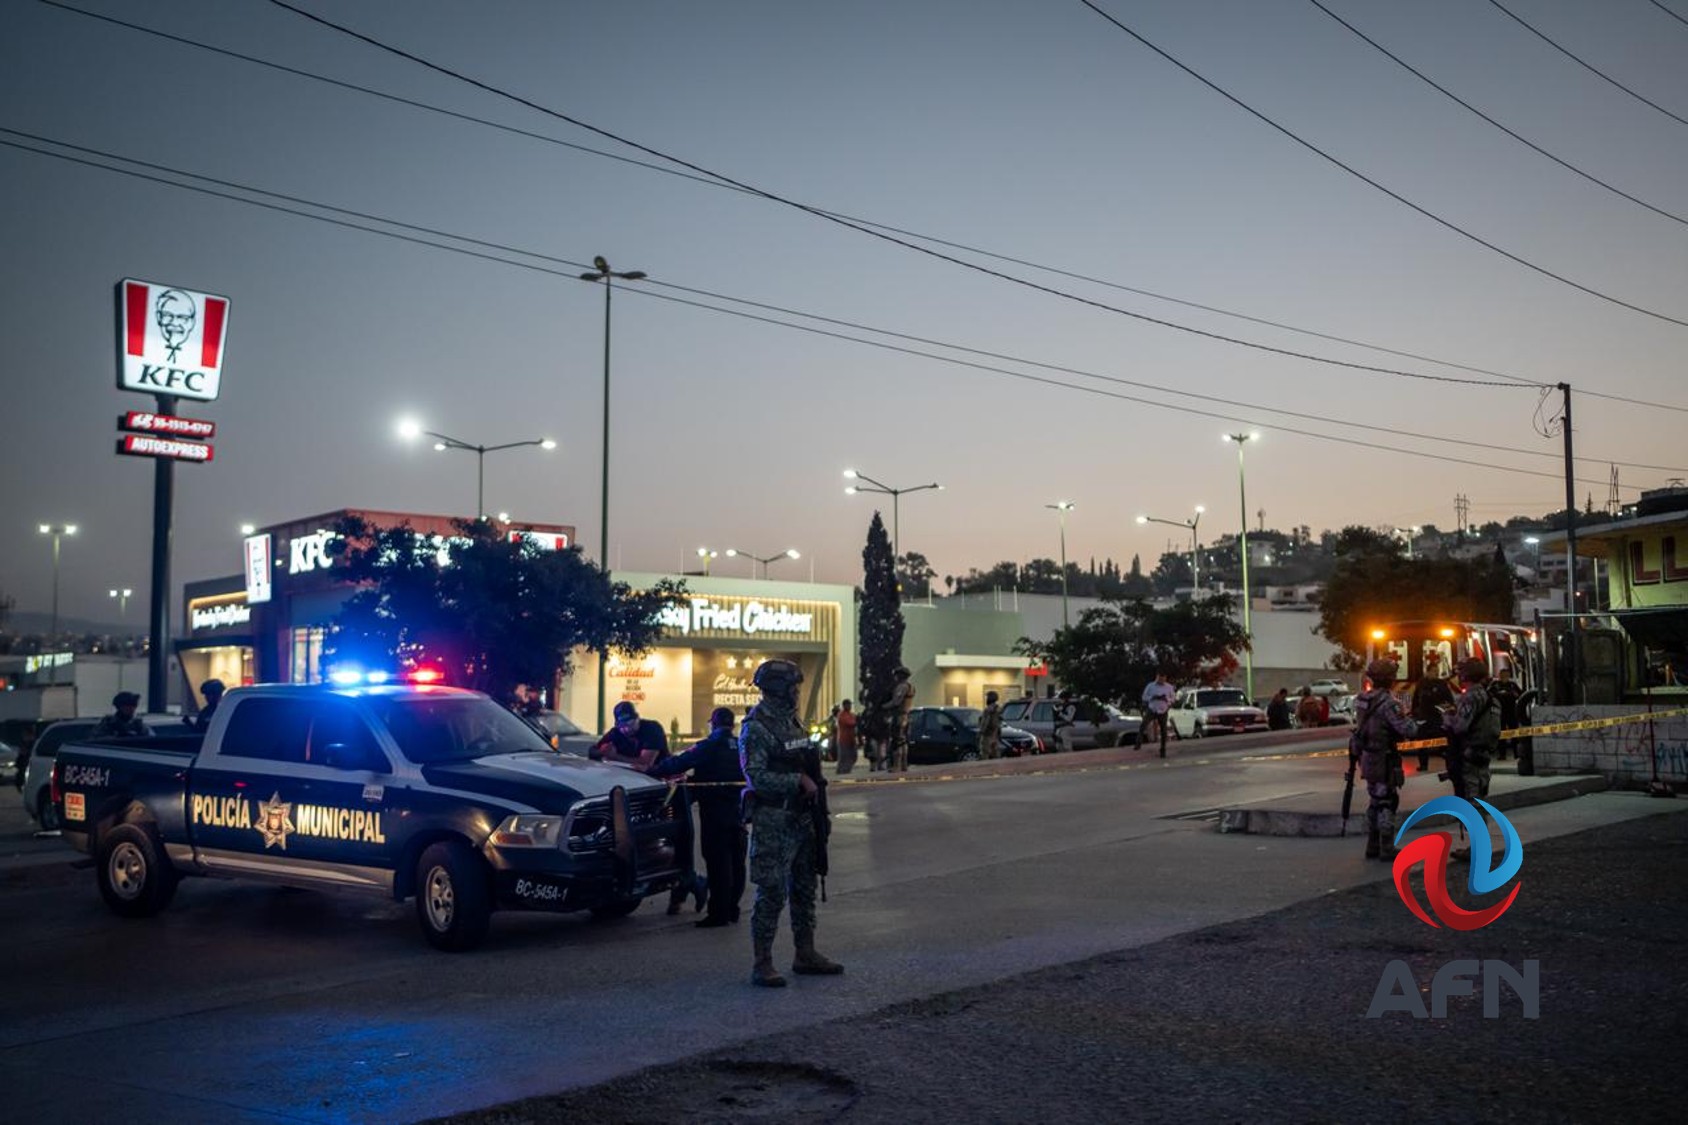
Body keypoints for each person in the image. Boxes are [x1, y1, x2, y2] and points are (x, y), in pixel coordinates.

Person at [741, 659, 842, 987]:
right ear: (777, 689)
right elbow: (756, 777)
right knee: (771, 893)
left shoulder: (791, 722)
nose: (797, 693)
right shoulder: (757, 727)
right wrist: (796, 780)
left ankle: (805, 952)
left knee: (804, 888)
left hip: (802, 818)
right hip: (774, 820)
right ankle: (762, 962)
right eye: (793, 687)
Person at [593, 702, 706, 915]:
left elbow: (645, 763)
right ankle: (682, 885)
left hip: (668, 790)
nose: (626, 729)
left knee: (674, 840)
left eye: (630, 723)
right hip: (640, 794)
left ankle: (688, 884)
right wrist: (604, 752)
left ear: (637, 718)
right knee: (645, 842)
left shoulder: (651, 729)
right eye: (622, 725)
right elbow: (595, 751)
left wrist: (614, 756)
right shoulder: (616, 733)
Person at [648, 707, 747, 928]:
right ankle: (732, 909)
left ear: (713, 723)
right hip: (738, 811)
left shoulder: (709, 746)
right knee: (737, 862)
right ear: (732, 725)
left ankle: (718, 914)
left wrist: (650, 771)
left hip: (715, 813)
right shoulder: (741, 745)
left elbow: (678, 763)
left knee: (718, 863)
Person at [1352, 659, 1418, 861]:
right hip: (1384, 758)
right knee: (1387, 802)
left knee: (1375, 800)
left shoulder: (1361, 699)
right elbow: (1408, 730)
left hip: (1367, 757)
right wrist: (1412, 720)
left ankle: (1372, 845)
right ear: (1390, 679)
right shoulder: (1389, 703)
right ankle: (1386, 847)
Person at [1444, 658, 1502, 860]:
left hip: (1468, 757)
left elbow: (1460, 726)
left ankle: (1477, 850)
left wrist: (1447, 717)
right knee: (1478, 799)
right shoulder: (1490, 698)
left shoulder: (1470, 698)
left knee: (1472, 803)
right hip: (1482, 756)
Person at [1410, 658, 1455, 773]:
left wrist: (1448, 712)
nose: (1436, 673)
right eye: (1434, 670)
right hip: (1424, 717)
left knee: (1444, 742)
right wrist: (1415, 712)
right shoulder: (1422, 683)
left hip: (1438, 717)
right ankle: (1423, 765)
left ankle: (1449, 764)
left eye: (1437, 670)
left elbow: (1449, 700)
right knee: (1422, 742)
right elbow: (1416, 699)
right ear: (1428, 671)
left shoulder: (1441, 684)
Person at [1488, 664, 1523, 762]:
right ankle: (1502, 754)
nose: (1504, 677)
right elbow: (1488, 695)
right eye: (1502, 675)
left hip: (1511, 712)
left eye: (1506, 675)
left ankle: (1517, 753)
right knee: (1501, 734)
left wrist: (1512, 694)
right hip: (1499, 713)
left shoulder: (1512, 685)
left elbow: (1520, 695)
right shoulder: (1495, 685)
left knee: (1514, 733)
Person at [1137, 674, 1176, 757]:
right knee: (1143, 724)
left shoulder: (1169, 687)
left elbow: (1173, 699)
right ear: (1157, 677)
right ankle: (1138, 742)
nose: (1161, 680)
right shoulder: (1150, 686)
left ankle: (1163, 749)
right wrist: (1152, 697)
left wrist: (1166, 699)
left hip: (1163, 711)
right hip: (1152, 709)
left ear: (1165, 678)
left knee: (1163, 730)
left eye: (1163, 678)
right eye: (1159, 678)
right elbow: (1144, 697)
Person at [887, 666, 915, 771]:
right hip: (907, 716)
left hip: (899, 716)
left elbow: (896, 702)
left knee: (896, 741)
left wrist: (884, 706)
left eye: (897, 675)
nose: (895, 677)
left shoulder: (901, 687)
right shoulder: (911, 686)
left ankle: (896, 766)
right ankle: (904, 764)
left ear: (900, 675)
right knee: (903, 742)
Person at [833, 699, 858, 774]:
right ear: (844, 706)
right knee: (843, 756)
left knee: (853, 755)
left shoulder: (851, 714)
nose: (849, 706)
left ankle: (847, 769)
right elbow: (850, 723)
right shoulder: (842, 715)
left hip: (851, 739)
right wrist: (856, 721)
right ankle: (841, 770)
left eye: (850, 705)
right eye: (848, 705)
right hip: (843, 739)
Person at [978, 690, 1003, 760]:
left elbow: (985, 722)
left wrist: (981, 732)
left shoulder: (988, 710)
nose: (986, 699)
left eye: (987, 697)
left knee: (985, 755)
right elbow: (999, 723)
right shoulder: (998, 709)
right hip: (995, 735)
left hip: (987, 735)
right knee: (996, 756)